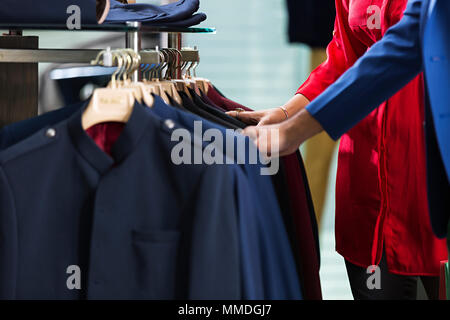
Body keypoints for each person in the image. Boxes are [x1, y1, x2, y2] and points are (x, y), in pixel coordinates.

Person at [231, 0, 449, 299]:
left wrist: (294, 131)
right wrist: (286, 113)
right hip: (367, 190)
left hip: (427, 187)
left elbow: (407, 46)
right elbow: (344, 59)